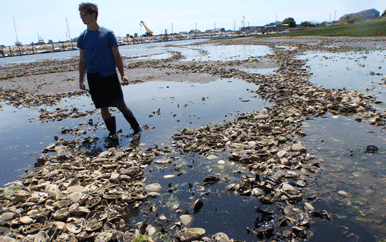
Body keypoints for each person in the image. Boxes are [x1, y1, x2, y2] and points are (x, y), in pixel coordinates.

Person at [77, 2, 141, 138]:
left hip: (110, 76)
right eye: (80, 14)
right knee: (103, 107)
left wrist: (123, 74)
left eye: (83, 14)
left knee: (120, 105)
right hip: (94, 78)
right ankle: (113, 134)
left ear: (93, 14)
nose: (81, 17)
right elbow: (82, 61)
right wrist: (81, 80)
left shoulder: (108, 34)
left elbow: (117, 56)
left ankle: (137, 129)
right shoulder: (82, 38)